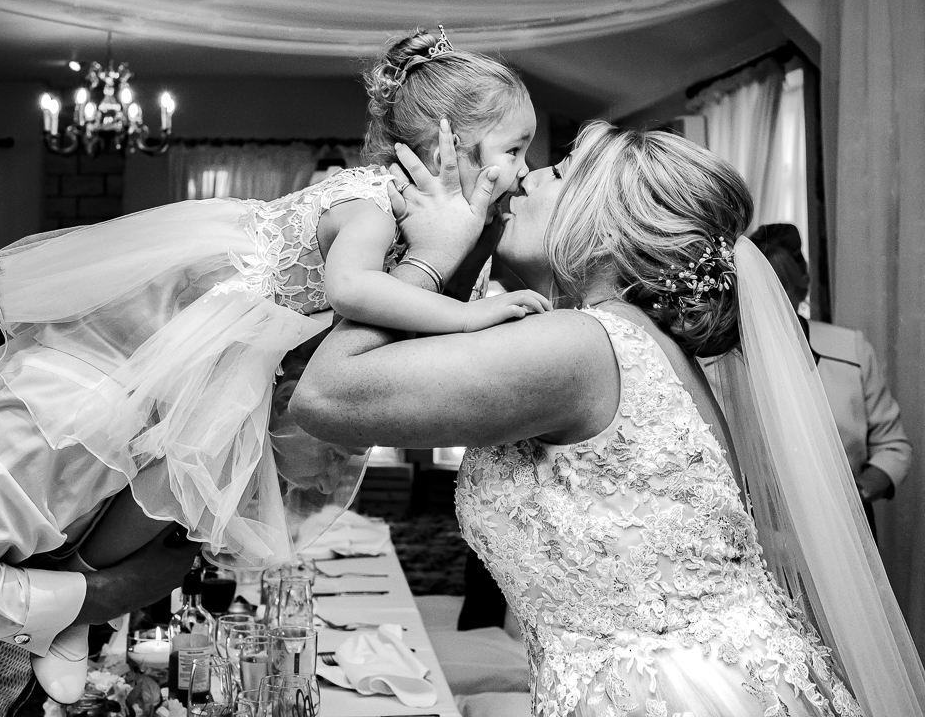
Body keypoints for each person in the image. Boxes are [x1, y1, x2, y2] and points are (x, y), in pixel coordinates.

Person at [0, 26, 548, 711]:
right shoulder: (369, 206)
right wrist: (463, 309)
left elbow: (378, 361)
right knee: (183, 474)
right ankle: (83, 604)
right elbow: (352, 291)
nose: (522, 170)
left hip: (222, 364)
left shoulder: (397, 230)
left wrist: (461, 250)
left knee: (176, 484)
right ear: (448, 143)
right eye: (516, 149)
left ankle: (77, 613)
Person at [291, 121, 925, 715]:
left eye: (558, 171)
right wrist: (463, 248)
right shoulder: (618, 339)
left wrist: (431, 255)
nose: (525, 175)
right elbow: (387, 382)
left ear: (606, 227)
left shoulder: (581, 347)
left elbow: (326, 397)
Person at [750, 223, 911, 537]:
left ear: (802, 285)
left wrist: (857, 495)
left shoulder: (849, 349)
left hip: (846, 530)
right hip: (768, 534)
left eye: (782, 289)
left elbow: (893, 446)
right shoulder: (728, 365)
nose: (773, 305)